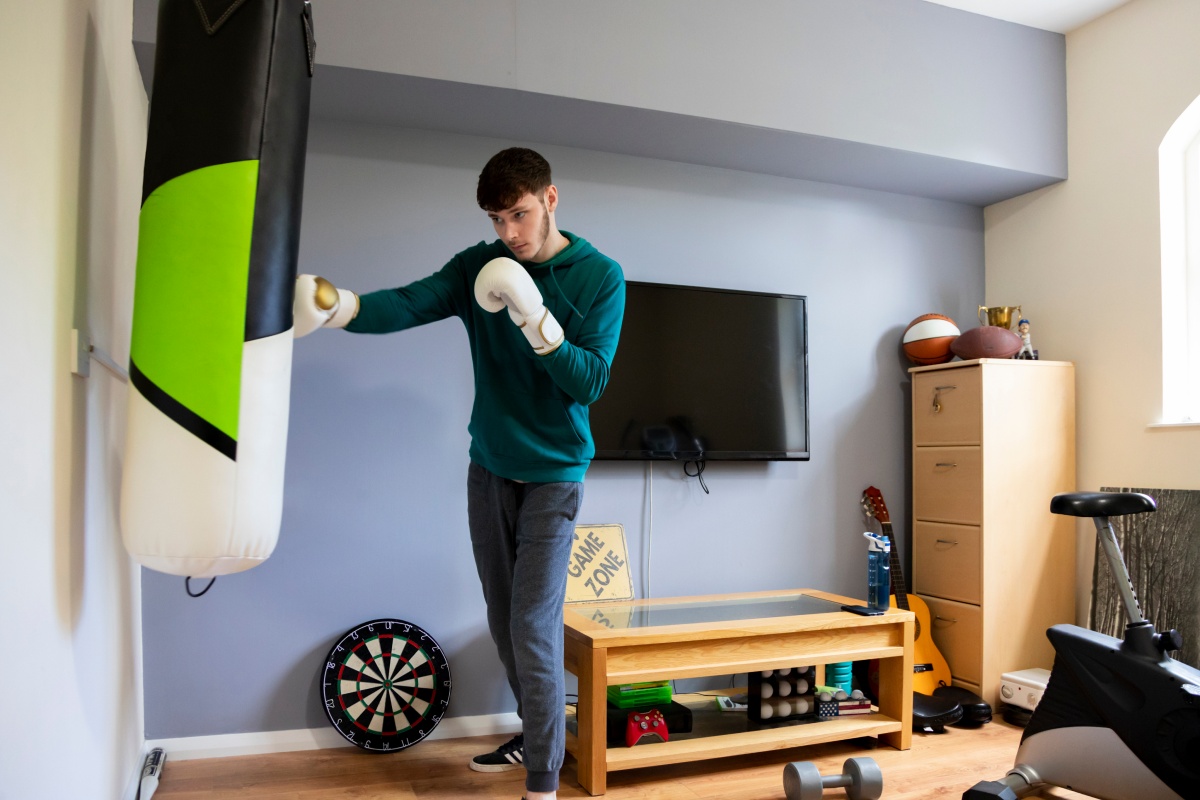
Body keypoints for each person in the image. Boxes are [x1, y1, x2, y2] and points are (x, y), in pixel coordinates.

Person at [293, 147, 625, 800]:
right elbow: (412, 302)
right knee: (504, 618)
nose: (509, 233)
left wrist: (536, 319)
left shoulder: (599, 276)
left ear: (550, 199)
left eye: (520, 215)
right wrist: (342, 308)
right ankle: (533, 734)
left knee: (533, 624)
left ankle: (543, 780)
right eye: (497, 219)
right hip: (490, 469)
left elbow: (590, 382)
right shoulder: (481, 266)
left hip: (556, 474)